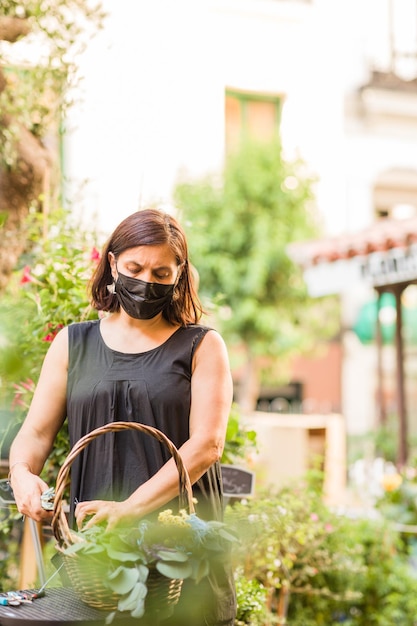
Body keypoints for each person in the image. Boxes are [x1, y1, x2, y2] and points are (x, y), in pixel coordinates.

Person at [8, 208, 236, 625]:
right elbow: (36, 432)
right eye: (135, 267)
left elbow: (207, 445)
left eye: (162, 274)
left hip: (181, 565)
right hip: (98, 564)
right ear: (112, 263)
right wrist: (21, 474)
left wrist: (129, 508)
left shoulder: (202, 346)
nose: (146, 282)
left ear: (180, 275)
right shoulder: (73, 344)